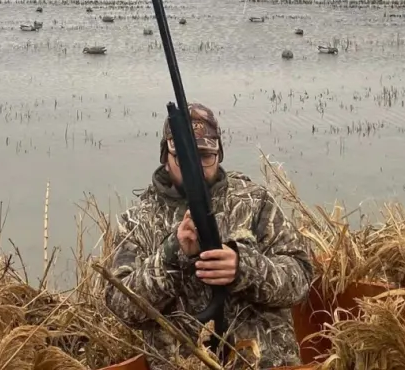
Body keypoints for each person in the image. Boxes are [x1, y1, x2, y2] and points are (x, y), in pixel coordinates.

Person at [104, 103, 314, 369]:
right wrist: (171, 256)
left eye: (204, 156)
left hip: (266, 364)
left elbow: (301, 280)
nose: (195, 167)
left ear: (219, 154)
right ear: (165, 156)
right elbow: (122, 308)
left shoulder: (254, 202)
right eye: (183, 156)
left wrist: (244, 268)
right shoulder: (137, 221)